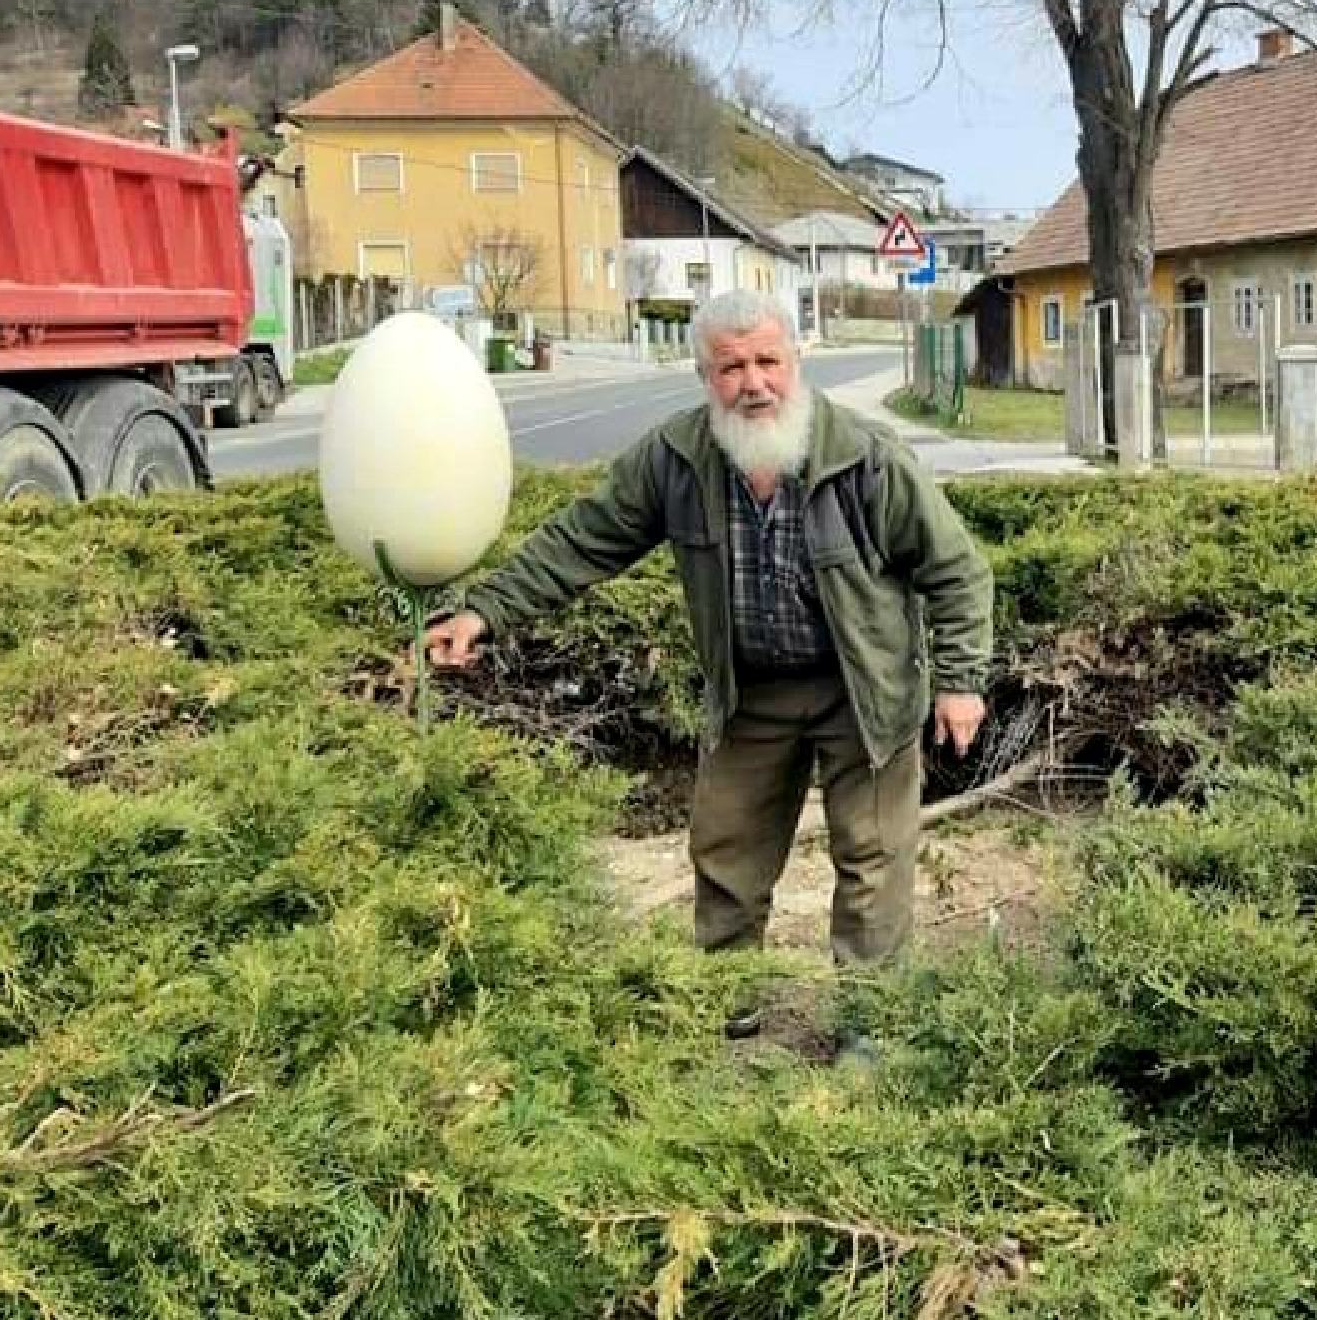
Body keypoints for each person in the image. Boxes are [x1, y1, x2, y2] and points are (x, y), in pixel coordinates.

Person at [422, 290, 994, 1046]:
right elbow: (583, 540)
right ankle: (727, 1000)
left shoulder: (867, 457)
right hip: (749, 691)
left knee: (872, 857)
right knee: (726, 850)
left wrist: (959, 681)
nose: (753, 383)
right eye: (731, 367)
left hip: (864, 691)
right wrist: (485, 610)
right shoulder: (676, 459)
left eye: (767, 362)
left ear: (796, 362)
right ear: (704, 375)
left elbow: (955, 571)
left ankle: (871, 1026)